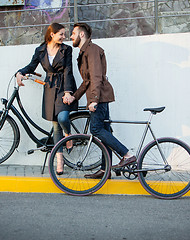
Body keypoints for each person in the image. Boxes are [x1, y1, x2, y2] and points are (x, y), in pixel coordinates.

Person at [64, 23, 136, 179]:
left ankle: (127, 155)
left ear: (81, 35)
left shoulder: (92, 50)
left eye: (73, 33)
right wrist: (74, 96)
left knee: (96, 129)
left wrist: (94, 100)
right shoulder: (85, 52)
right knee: (105, 131)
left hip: (100, 98)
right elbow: (86, 81)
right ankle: (106, 170)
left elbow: (96, 77)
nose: (71, 36)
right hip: (98, 97)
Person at [16, 23, 78, 175]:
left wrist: (68, 92)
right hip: (50, 89)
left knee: (63, 117)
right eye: (61, 34)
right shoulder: (40, 50)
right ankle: (60, 160)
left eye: (64, 34)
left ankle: (68, 135)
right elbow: (31, 66)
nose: (64, 37)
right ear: (52, 34)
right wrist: (19, 72)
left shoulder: (66, 49)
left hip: (64, 87)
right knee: (56, 126)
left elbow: (68, 70)